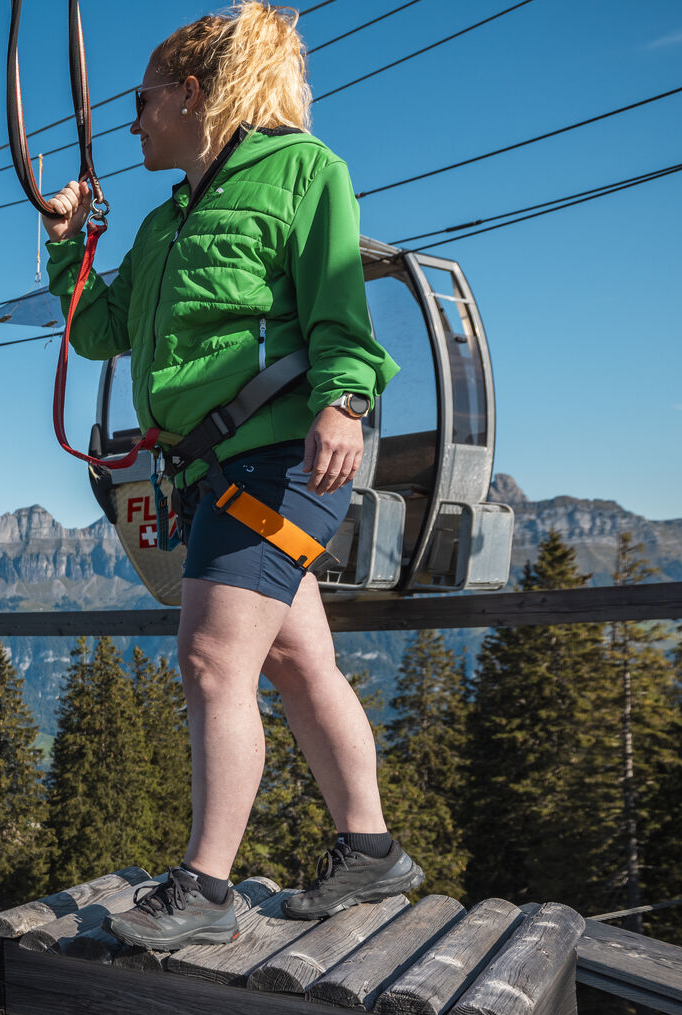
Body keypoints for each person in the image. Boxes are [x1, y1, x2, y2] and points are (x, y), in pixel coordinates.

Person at [47, 1, 422, 947]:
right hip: (212, 471)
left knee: (214, 659)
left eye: (141, 101)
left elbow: (338, 307)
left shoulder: (303, 171)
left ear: (191, 95)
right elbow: (98, 331)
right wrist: (67, 243)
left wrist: (345, 402)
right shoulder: (161, 225)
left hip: (282, 460)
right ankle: (372, 850)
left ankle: (206, 891)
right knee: (296, 659)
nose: (133, 121)